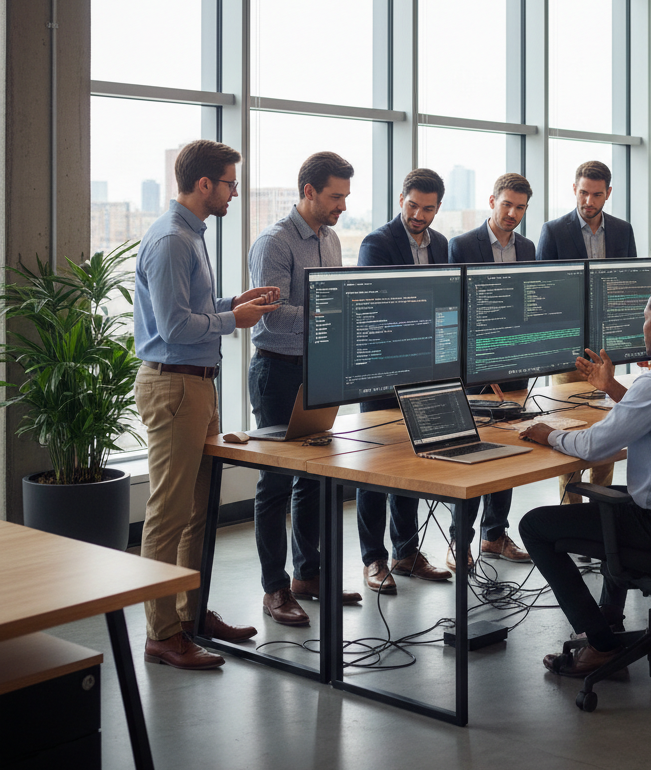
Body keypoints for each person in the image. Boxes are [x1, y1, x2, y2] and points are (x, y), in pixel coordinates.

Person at [518, 280, 651, 677]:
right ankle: (609, 624)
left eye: (645, 318)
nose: (643, 326)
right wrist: (613, 389)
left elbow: (593, 447)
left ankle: (600, 644)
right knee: (609, 501)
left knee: (534, 525)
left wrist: (545, 433)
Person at [135, 140, 279, 670]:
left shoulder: (191, 235)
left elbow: (189, 311)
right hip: (174, 386)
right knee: (169, 514)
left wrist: (232, 304)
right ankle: (161, 634)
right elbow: (173, 328)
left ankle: (188, 615)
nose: (234, 192)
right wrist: (232, 322)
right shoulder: (173, 239)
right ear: (204, 185)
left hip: (196, 383)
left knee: (199, 509)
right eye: (230, 183)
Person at [248, 152, 363, 626]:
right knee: (275, 483)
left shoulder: (331, 239)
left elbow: (330, 297)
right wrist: (327, 311)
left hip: (317, 370)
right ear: (309, 191)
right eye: (335, 196)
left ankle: (307, 575)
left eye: (346, 197)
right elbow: (268, 310)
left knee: (314, 476)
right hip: (277, 371)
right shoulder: (275, 242)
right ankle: (274, 589)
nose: (342, 206)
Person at [355, 168, 452, 592]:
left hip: (424, 369)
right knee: (376, 468)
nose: (419, 214)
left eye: (428, 208)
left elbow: (444, 302)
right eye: (413, 205)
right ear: (400, 200)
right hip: (383, 370)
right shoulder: (376, 243)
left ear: (437, 208)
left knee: (413, 463)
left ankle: (407, 551)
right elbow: (378, 305)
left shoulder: (442, 244)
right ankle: (373, 559)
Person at [446, 173, 536, 570]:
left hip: (514, 359)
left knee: (511, 447)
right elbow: (457, 305)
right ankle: (458, 542)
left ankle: (495, 535)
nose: (512, 213)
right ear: (492, 201)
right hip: (476, 363)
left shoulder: (528, 247)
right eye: (507, 205)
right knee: (472, 453)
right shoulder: (462, 245)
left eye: (520, 207)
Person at [537, 160, 638, 506]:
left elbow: (630, 286)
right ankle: (570, 514)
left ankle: (602, 511)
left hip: (607, 348)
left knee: (607, 429)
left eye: (596, 195)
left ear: (608, 193)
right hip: (569, 349)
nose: (588, 201)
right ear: (574, 190)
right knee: (569, 427)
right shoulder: (553, 232)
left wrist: (633, 343)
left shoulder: (623, 231)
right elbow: (542, 292)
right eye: (583, 193)